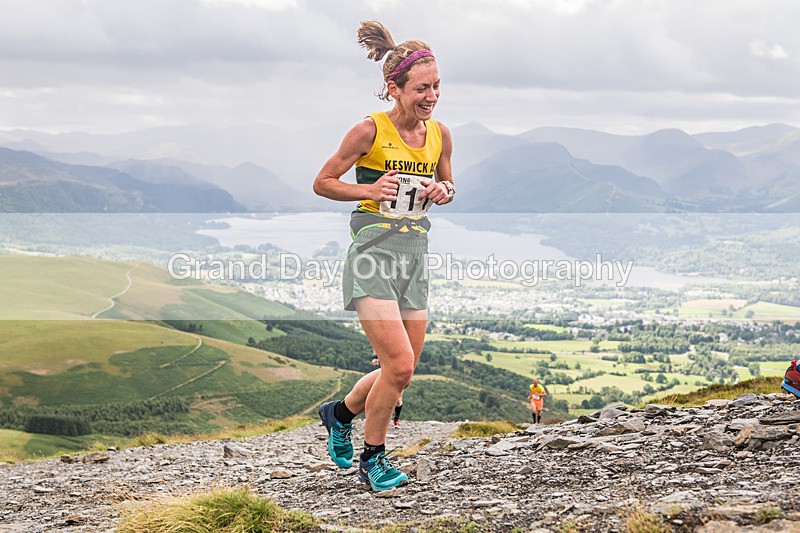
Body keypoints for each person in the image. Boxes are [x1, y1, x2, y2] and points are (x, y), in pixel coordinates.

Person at [314, 20, 454, 492]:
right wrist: (369, 188)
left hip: (415, 257)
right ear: (394, 88)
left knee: (403, 373)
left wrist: (443, 189)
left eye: (436, 86)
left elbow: (449, 184)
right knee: (397, 366)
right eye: (421, 88)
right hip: (373, 255)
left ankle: (339, 413)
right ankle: (373, 460)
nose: (431, 96)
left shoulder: (440, 135)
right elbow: (323, 181)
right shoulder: (368, 131)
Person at [372, 352, 404, 427]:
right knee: (383, 393)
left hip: (400, 367)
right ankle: (382, 419)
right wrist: (375, 357)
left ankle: (396, 418)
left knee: (398, 397)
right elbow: (378, 344)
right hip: (387, 367)